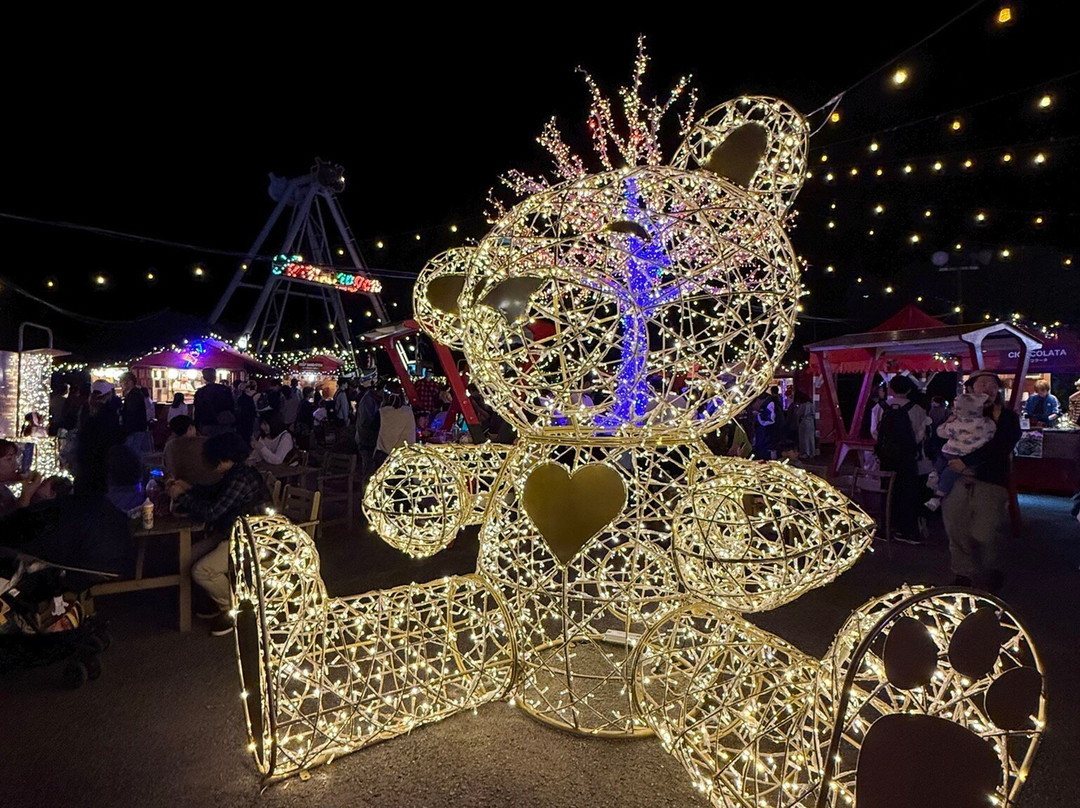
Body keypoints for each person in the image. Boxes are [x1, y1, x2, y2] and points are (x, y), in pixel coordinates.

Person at [166, 431, 270, 636]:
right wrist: (189, 488)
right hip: (232, 532)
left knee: (201, 570)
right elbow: (212, 492)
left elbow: (212, 512)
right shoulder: (236, 473)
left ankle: (233, 609)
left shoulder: (241, 478)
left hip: (252, 538)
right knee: (189, 555)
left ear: (222, 458)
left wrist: (182, 496)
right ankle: (219, 600)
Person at [941, 371, 1021, 593]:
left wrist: (966, 463)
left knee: (983, 532)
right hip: (958, 481)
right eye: (982, 384)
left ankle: (989, 570)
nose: (988, 388)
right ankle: (962, 573)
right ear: (970, 389)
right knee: (955, 527)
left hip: (990, 481)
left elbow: (1001, 446)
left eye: (993, 385)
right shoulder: (959, 414)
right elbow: (939, 440)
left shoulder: (1007, 417)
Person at [871, 374, 930, 544]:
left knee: (887, 491)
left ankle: (887, 527)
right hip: (908, 457)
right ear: (910, 389)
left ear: (890, 389)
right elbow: (920, 435)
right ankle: (907, 531)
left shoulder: (879, 407)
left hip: (886, 457)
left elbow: (874, 432)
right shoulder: (918, 409)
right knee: (908, 491)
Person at [925, 391, 997, 512]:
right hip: (969, 456)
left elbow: (940, 432)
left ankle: (935, 478)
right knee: (950, 472)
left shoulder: (956, 423)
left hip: (951, 452)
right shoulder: (987, 423)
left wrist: (948, 421)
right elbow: (991, 435)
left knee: (942, 460)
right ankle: (938, 496)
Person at [73, 380, 124, 496]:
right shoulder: (109, 414)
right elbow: (115, 437)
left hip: (85, 461)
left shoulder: (86, 411)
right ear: (108, 395)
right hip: (103, 461)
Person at [373, 381, 416, 471]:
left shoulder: (382, 413)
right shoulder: (408, 412)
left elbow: (373, 433)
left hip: (384, 457)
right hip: (405, 458)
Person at [192, 367, 237, 438]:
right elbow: (232, 406)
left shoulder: (201, 392)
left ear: (204, 378)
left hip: (207, 422)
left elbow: (197, 410)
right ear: (215, 377)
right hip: (224, 422)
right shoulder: (225, 389)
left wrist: (196, 425)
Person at [119, 371, 153, 458]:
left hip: (134, 430)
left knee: (133, 455)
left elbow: (131, 414)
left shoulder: (134, 395)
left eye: (122, 381)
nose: (120, 384)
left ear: (130, 382)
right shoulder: (134, 394)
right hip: (137, 429)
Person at [794, 390, 816, 459]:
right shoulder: (811, 404)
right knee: (811, 438)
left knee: (804, 438)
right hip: (811, 422)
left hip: (804, 422)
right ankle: (812, 452)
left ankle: (805, 453)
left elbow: (798, 414)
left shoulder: (802, 405)